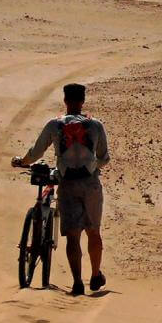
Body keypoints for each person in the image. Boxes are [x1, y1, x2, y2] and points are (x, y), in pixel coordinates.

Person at [12, 83, 110, 296]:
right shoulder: (95, 126)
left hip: (67, 183)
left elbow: (35, 153)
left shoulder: (54, 125)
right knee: (93, 231)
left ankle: (77, 282)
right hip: (90, 184)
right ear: (83, 101)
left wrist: (22, 161)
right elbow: (104, 157)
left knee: (72, 236)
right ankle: (95, 275)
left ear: (65, 101)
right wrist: (91, 166)